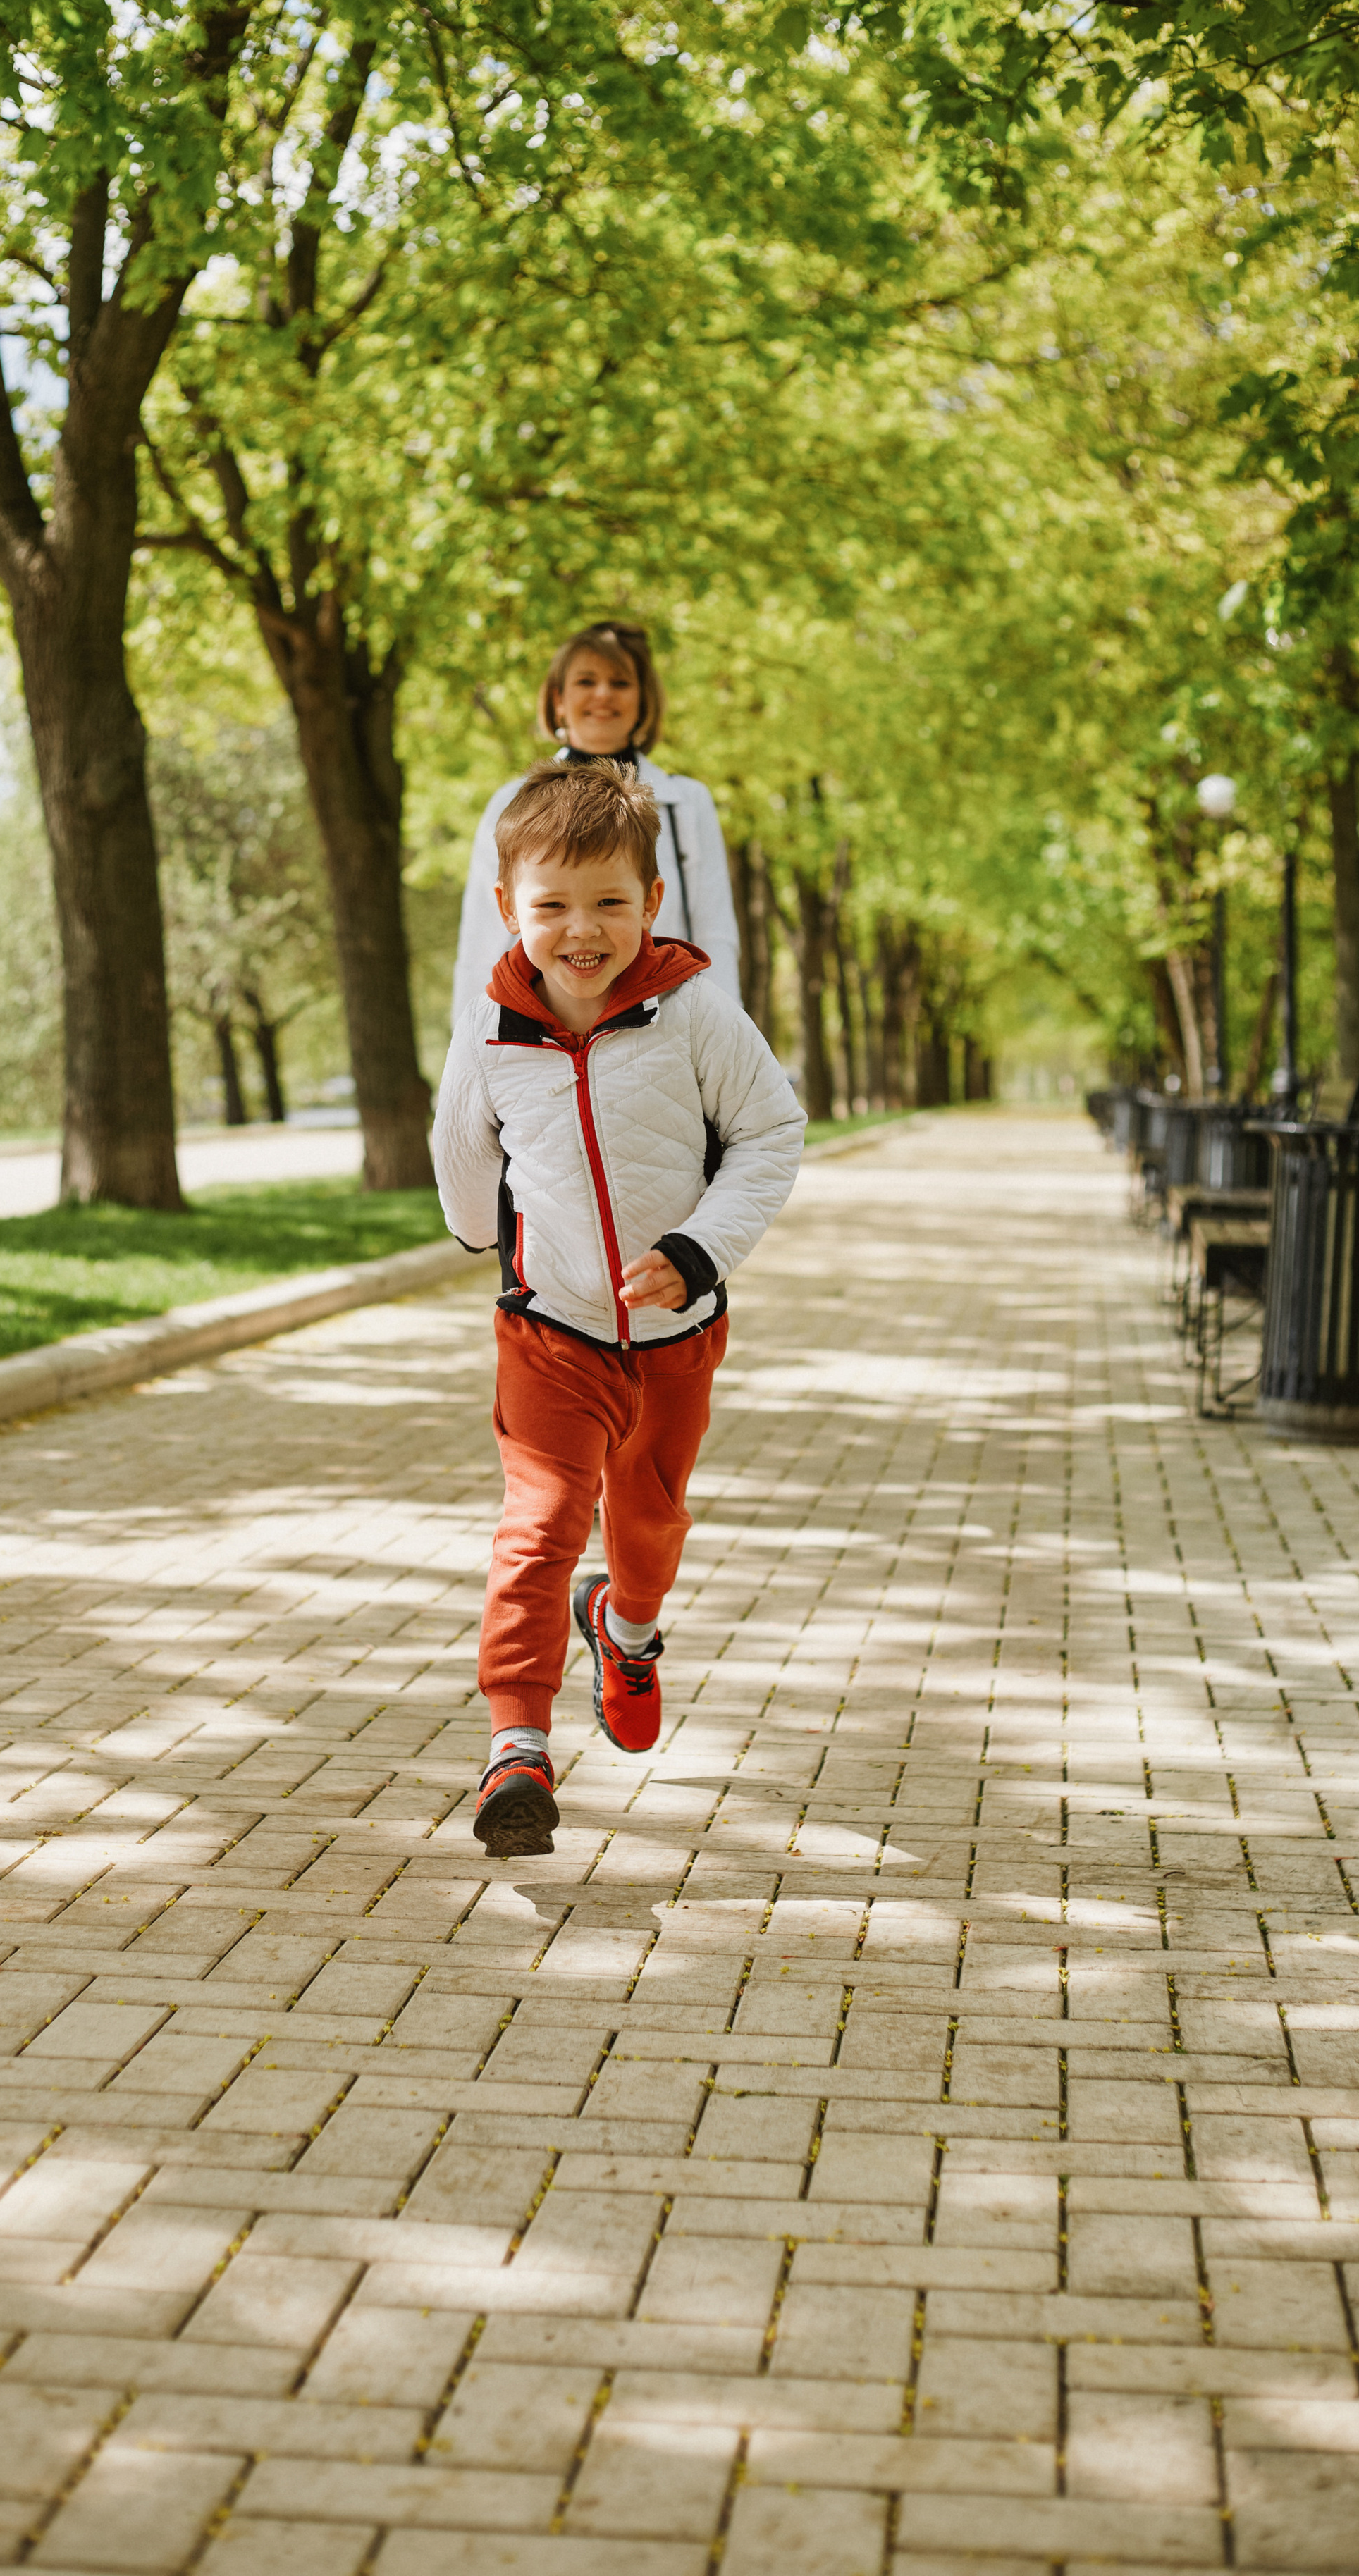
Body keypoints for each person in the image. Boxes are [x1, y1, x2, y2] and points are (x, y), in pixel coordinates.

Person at [434, 758, 805, 1858]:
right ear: (510, 907)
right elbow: (461, 1145)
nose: (581, 930)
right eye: (552, 905)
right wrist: (481, 1235)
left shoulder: (693, 1011)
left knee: (646, 1526)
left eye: (608, 903)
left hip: (674, 1336)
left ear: (652, 901)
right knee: (539, 1525)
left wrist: (698, 1251)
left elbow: (772, 1133)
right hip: (550, 1330)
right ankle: (516, 1744)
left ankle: (626, 1628)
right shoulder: (492, 1027)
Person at [450, 621, 741, 1024]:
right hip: (547, 1038)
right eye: (586, 681)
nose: (603, 694)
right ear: (559, 700)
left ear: (643, 700)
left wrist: (726, 1031)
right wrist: (470, 1044)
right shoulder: (511, 803)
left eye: (620, 683)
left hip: (665, 1031)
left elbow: (714, 934)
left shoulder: (687, 804)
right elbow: (482, 945)